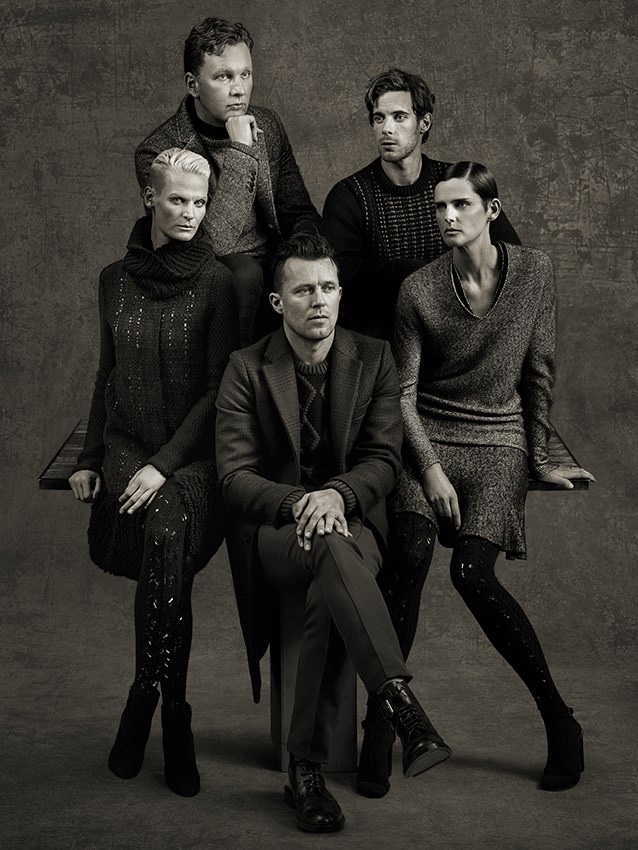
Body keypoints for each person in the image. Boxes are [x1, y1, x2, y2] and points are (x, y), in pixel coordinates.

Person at [357, 160, 594, 799]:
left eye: (460, 204)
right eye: (439, 207)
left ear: (492, 209)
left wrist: (538, 458)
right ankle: (381, 728)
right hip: (429, 436)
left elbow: (538, 371)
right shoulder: (419, 289)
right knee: (407, 558)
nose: (447, 217)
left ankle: (559, 719)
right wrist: (430, 469)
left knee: (471, 573)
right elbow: (404, 395)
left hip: (498, 439)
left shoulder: (536, 272)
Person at [215, 233, 451, 833]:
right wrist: (304, 501)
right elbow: (235, 476)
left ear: (341, 293)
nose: (319, 300)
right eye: (303, 290)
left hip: (354, 526)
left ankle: (306, 772)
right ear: (278, 301)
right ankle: (399, 703)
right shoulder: (246, 368)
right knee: (326, 542)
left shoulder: (374, 357)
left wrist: (337, 496)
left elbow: (383, 459)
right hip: (277, 532)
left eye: (328, 287)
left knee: (331, 570)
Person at [69, 148, 239, 797]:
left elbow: (218, 390)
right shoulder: (113, 279)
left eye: (200, 202)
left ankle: (151, 697)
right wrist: (91, 459)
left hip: (191, 457)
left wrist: (165, 466)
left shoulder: (219, 282)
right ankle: (174, 714)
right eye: (178, 200)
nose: (191, 212)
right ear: (150, 197)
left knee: (166, 534)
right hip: (127, 445)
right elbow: (105, 374)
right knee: (168, 560)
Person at [135, 17, 320, 346]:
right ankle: (238, 374)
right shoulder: (159, 152)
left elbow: (297, 211)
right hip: (213, 271)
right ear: (193, 85)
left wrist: (305, 258)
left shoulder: (267, 125)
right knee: (244, 274)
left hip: (272, 259)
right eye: (224, 76)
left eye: (245, 74)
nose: (239, 89)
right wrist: (241, 152)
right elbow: (205, 246)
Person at [322, 68, 520, 338]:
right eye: (379, 118)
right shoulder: (349, 196)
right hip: (384, 344)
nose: (386, 129)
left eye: (399, 117)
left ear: (424, 123)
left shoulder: (459, 184)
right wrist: (408, 272)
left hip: (462, 336)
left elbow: (513, 259)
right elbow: (336, 278)